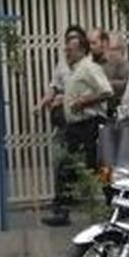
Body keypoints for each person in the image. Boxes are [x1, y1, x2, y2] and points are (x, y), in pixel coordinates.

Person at [41, 26, 113, 227]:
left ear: (81, 50)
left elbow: (107, 92)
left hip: (89, 126)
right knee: (66, 166)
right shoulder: (74, 70)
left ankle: (111, 207)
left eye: (70, 50)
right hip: (75, 127)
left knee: (96, 168)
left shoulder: (89, 67)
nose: (66, 53)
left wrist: (84, 102)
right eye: (66, 50)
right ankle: (62, 212)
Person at [101, 31, 129, 116]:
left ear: (122, 50)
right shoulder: (102, 68)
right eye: (107, 49)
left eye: (113, 49)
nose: (110, 53)